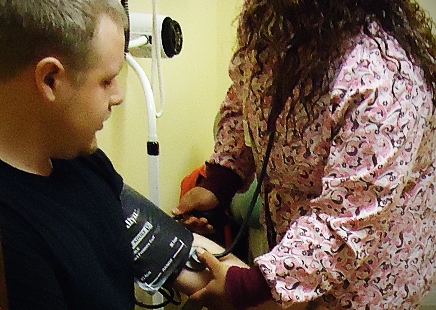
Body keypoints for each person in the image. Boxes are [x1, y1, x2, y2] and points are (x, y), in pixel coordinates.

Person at [173, 0, 436, 309]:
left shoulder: (383, 81)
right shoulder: (276, 31)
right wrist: (220, 181)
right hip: (297, 250)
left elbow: (349, 223)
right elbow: (242, 100)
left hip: (370, 278)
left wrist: (248, 287)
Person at [0, 1, 249, 309]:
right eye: (107, 80)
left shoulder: (83, 162)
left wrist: (265, 293)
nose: (118, 96)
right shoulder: (11, 238)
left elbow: (188, 259)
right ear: (51, 79)